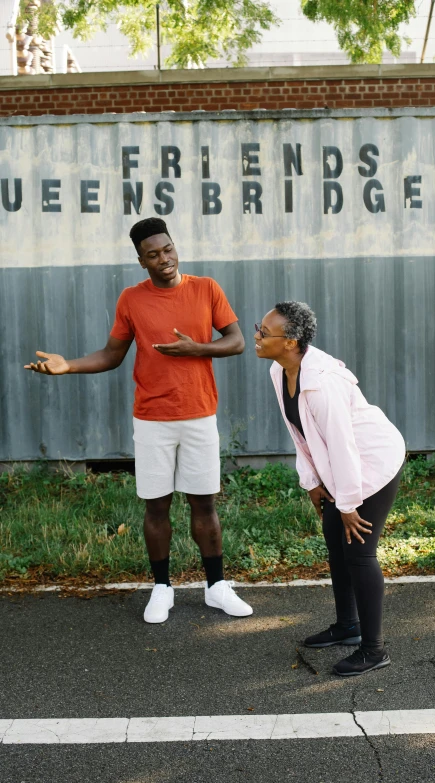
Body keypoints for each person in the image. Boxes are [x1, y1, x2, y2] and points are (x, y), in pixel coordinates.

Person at [24, 217, 253, 624]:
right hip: (152, 419)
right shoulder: (131, 299)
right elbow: (112, 355)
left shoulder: (206, 288)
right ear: (141, 261)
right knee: (156, 506)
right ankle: (162, 589)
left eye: (168, 249)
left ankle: (216, 587)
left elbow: (235, 342)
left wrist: (195, 349)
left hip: (199, 413)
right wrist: (68, 366)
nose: (165, 259)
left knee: (204, 503)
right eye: (153, 254)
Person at [255, 302, 405, 677]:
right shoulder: (280, 370)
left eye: (263, 332)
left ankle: (374, 650)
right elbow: (302, 433)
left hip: (373, 462)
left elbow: (342, 446)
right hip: (342, 468)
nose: (256, 336)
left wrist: (349, 504)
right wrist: (312, 482)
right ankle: (348, 626)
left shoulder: (322, 384)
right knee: (335, 542)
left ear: (290, 341)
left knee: (359, 552)